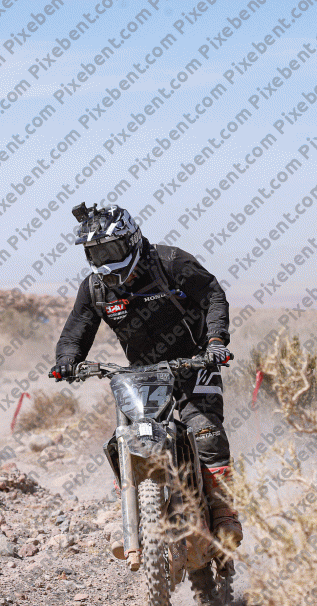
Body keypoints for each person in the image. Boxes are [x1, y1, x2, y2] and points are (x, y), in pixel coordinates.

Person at [50, 202, 242, 546]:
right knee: (129, 437)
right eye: (95, 252)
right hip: (142, 374)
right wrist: (67, 360)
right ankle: (133, 516)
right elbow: (76, 329)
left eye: (110, 249)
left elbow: (213, 295)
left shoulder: (172, 263)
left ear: (132, 240)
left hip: (195, 361)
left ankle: (224, 512)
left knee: (206, 432)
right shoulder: (95, 288)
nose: (103, 259)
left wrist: (215, 342)